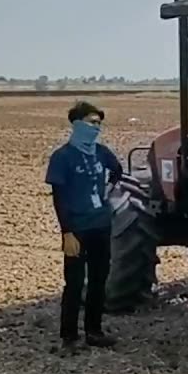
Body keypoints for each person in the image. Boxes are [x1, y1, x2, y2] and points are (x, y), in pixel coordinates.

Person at [45, 101, 124, 352]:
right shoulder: (62, 157)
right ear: (77, 124)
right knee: (75, 283)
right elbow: (58, 198)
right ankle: (69, 336)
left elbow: (118, 170)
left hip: (101, 226)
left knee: (99, 281)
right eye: (92, 122)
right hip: (76, 230)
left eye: (99, 123)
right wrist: (66, 232)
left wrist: (108, 191)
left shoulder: (101, 152)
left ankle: (94, 331)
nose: (96, 127)